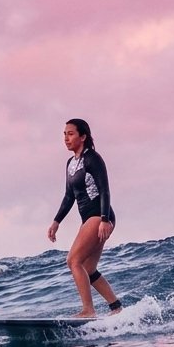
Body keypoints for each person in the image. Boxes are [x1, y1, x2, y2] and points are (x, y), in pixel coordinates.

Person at [47, 118, 122, 317]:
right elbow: (69, 196)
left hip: (99, 216)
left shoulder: (92, 159)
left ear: (83, 137)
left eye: (70, 134)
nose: (66, 138)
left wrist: (104, 219)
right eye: (64, 134)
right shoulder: (71, 163)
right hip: (89, 219)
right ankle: (116, 308)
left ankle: (88, 310)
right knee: (88, 268)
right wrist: (56, 221)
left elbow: (105, 190)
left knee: (73, 261)